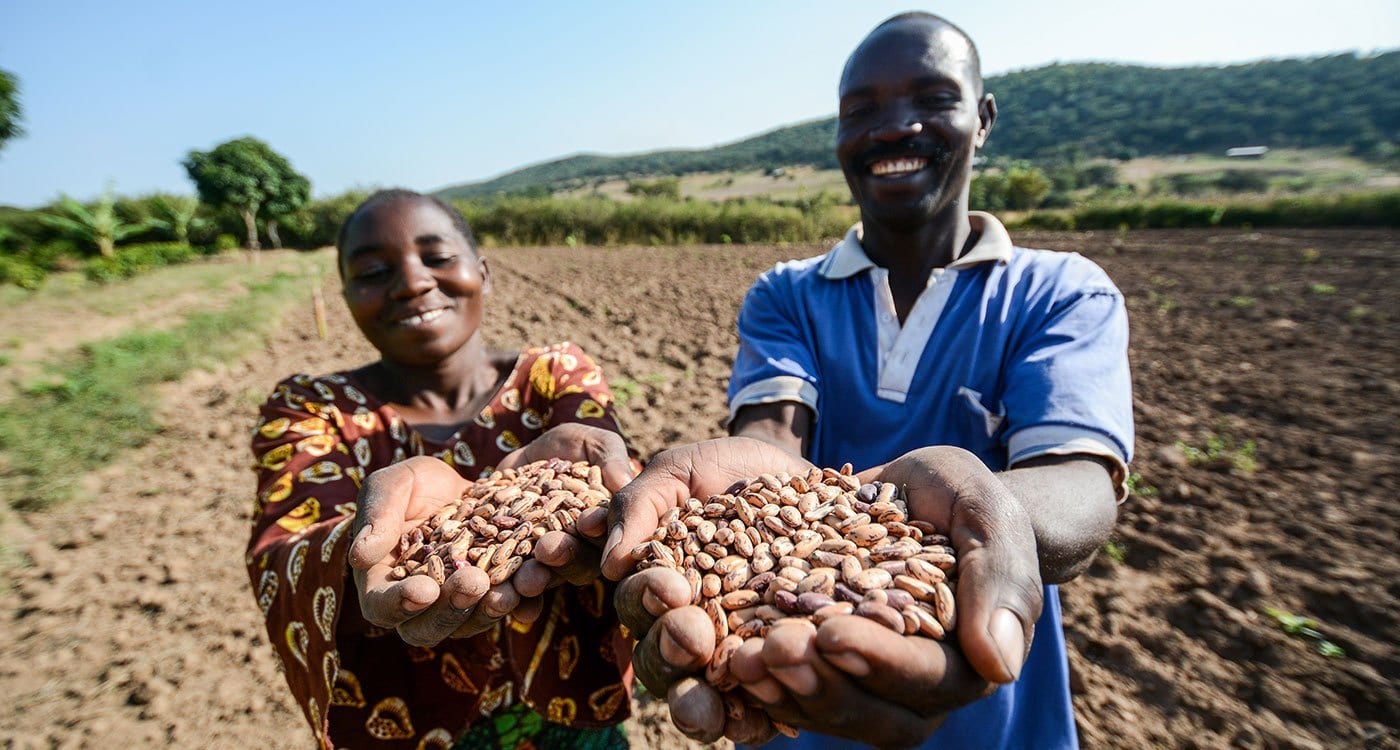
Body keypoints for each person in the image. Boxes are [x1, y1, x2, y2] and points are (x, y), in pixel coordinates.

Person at [601, 11, 1132, 749]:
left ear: (982, 119)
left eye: (931, 99)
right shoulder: (787, 295)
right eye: (863, 111)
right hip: (794, 683)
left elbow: (1079, 482)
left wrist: (960, 518)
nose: (893, 127)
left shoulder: (1060, 293)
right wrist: (764, 493)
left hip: (995, 705)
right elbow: (772, 434)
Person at [246, 189, 639, 749]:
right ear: (347, 296)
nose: (411, 283)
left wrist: (618, 496)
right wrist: (371, 545)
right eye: (375, 271)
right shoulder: (313, 408)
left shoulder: (554, 376)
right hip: (401, 720)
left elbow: (617, 475)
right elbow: (281, 551)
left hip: (569, 706)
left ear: (483, 271)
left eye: (436, 258)